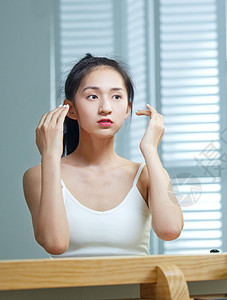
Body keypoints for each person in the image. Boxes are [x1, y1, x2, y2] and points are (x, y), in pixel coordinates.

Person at [23, 54, 183, 257]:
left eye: (116, 97)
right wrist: (50, 155)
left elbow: (170, 230)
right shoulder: (38, 175)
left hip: (135, 289)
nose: (106, 108)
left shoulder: (145, 174)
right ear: (70, 109)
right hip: (65, 289)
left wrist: (150, 149)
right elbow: (55, 243)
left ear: (128, 109)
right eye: (92, 96)